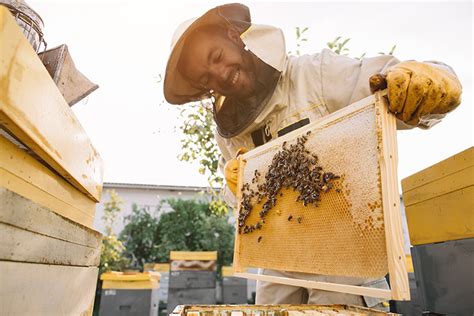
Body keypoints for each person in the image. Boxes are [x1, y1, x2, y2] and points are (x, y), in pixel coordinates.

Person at [163, 3, 462, 308]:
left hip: (345, 261)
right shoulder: (229, 132)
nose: (220, 75)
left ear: (233, 36)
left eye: (216, 57)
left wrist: (432, 79)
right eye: (206, 79)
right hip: (277, 268)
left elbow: (392, 84)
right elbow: (242, 210)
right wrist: (235, 187)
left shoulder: (313, 75)